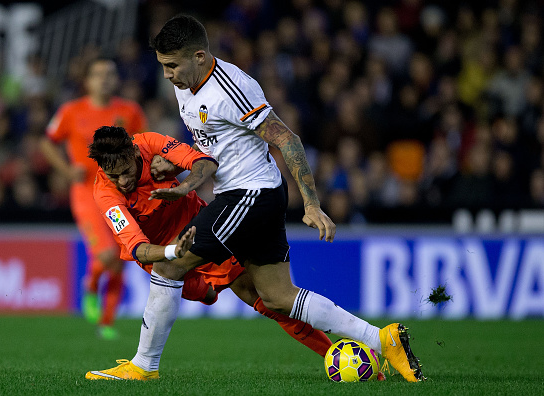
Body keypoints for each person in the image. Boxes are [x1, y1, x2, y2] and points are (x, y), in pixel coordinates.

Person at [91, 15, 425, 382]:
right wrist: (176, 168)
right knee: (279, 296)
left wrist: (311, 203)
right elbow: (211, 147)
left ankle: (143, 366)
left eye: (172, 65)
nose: (167, 75)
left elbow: (288, 139)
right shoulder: (184, 85)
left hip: (249, 194)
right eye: (163, 66)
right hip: (253, 195)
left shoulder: (231, 89)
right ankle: (383, 339)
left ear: (199, 56)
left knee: (169, 265)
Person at [84, 126, 334, 379]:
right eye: (114, 176)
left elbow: (201, 159)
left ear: (135, 152)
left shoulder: (151, 143)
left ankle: (335, 352)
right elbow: (137, 248)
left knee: (261, 296)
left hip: (199, 228)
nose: (123, 182)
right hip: (166, 257)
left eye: (126, 172)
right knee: (212, 293)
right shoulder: (105, 194)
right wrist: (173, 251)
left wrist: (176, 169)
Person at [40, 57, 147, 339]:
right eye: (98, 74)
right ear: (87, 81)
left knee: (123, 255)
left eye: (110, 73)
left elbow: (142, 147)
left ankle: (106, 321)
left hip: (118, 194)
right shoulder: (71, 111)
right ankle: (90, 285)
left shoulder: (129, 111)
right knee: (108, 254)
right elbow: (46, 142)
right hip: (87, 193)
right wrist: (65, 170)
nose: (105, 79)